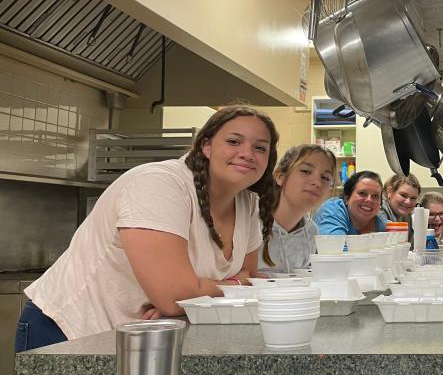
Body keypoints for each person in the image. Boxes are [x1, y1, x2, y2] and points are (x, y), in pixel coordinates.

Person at [16, 106, 279, 348]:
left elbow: (250, 278)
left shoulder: (248, 203)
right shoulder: (159, 185)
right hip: (71, 332)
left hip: (140, 338)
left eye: (260, 148)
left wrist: (197, 296)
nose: (247, 153)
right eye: (234, 141)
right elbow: (177, 296)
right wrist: (212, 290)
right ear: (206, 147)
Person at [258, 144, 337, 274]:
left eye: (325, 178)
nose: (317, 183)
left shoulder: (311, 231)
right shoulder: (250, 221)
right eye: (306, 171)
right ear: (280, 176)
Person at [315, 170, 387, 235]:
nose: (369, 200)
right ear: (347, 198)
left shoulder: (380, 221)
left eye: (375, 196)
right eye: (362, 193)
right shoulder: (332, 210)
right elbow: (335, 247)